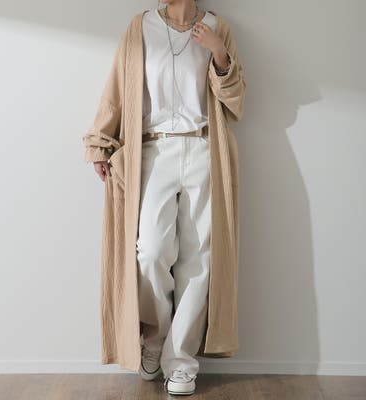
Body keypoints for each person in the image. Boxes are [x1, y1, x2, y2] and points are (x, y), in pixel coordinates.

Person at [83, 0, 245, 396]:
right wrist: (100, 142)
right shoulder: (141, 27)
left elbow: (236, 100)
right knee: (152, 253)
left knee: (200, 260)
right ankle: (154, 340)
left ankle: (182, 361)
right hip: (153, 151)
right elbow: (117, 87)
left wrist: (218, 52)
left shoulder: (216, 26)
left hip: (204, 149)